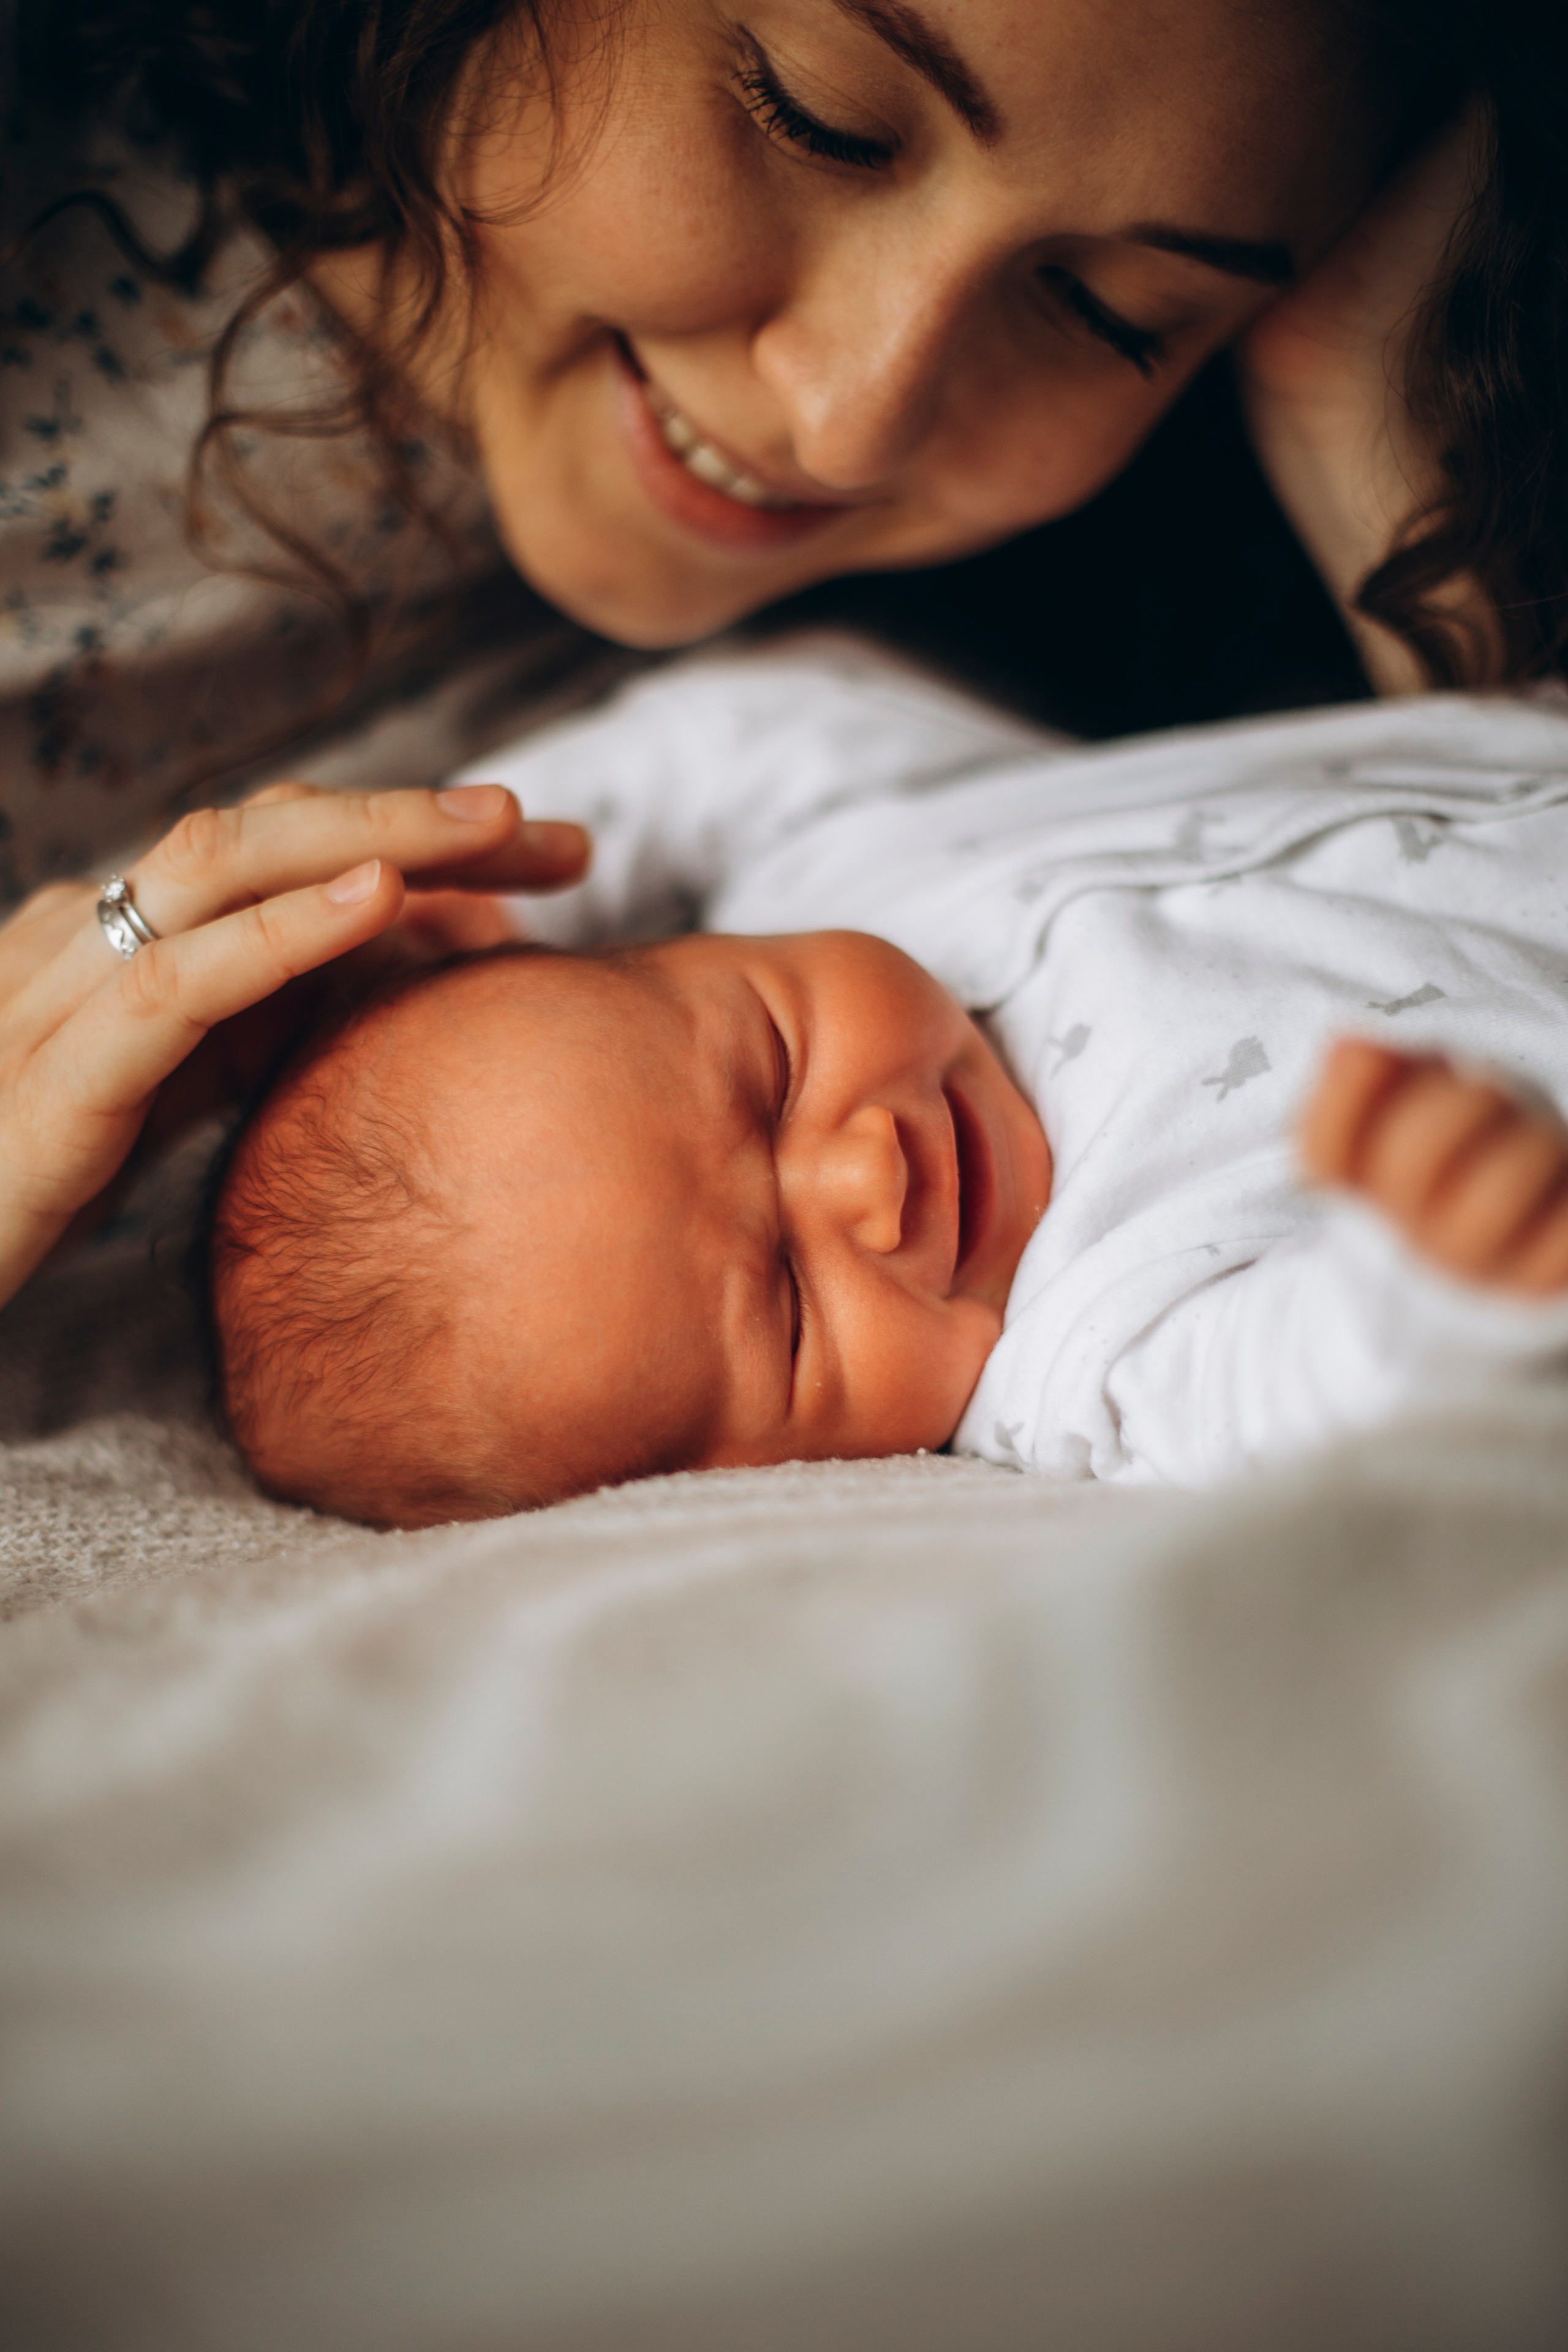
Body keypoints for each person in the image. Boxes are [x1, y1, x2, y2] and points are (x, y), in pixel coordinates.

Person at [1, 0, 1565, 1324]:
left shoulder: (950, 727)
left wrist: (1390, 442)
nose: (848, 418)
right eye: (813, 118)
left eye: (1108, 309)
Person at [206, 642, 1568, 1525]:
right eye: (792, 1312)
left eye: (770, 1070)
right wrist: (1436, 1277)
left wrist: (482, 884)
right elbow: (1309, 1395)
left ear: (676, 948)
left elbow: (729, 738)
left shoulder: (822, 866)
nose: (865, 1174)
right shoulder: (1090, 1351)